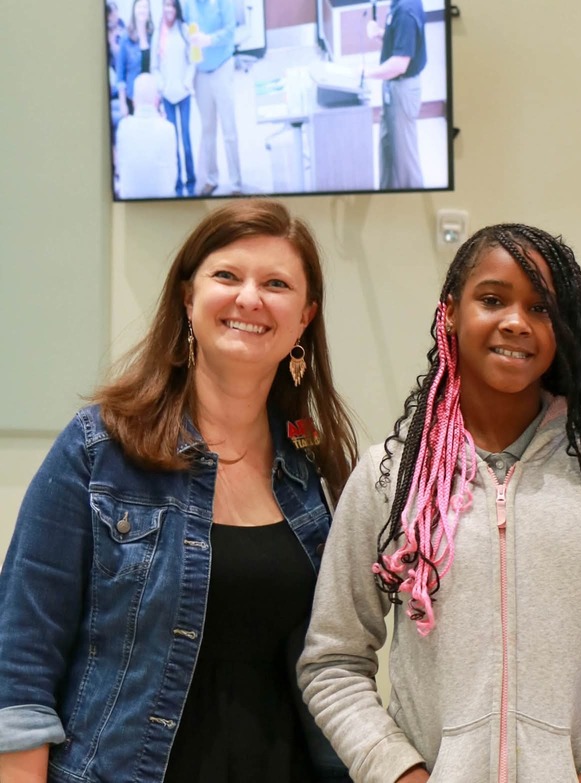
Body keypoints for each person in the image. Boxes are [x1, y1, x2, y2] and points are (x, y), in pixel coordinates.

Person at [299, 224, 581, 782]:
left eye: (540, 308)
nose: (515, 322)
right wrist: (397, 773)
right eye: (492, 299)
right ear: (450, 314)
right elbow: (333, 661)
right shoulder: (393, 475)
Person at [0, 200, 359, 782]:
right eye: (227, 276)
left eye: (276, 283)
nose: (250, 298)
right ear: (188, 298)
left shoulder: (315, 468)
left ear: (305, 317)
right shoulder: (98, 449)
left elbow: (337, 665)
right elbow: (20, 657)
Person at [364, 0, 426, 190]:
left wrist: (364, 73)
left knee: (405, 160)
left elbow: (399, 65)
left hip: (402, 89)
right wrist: (380, 34)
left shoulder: (406, 9)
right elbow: (403, 41)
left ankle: (413, 207)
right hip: (393, 88)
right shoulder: (398, 5)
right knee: (388, 152)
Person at [184, 0, 241, 196]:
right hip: (201, 73)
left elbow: (231, 32)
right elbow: (184, 25)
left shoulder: (223, 3)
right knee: (207, 129)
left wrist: (209, 39)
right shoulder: (189, 4)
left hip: (222, 66)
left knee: (228, 128)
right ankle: (211, 178)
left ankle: (236, 183)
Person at [152, 0, 197, 196]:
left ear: (176, 8)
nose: (169, 10)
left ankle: (192, 179)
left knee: (186, 138)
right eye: (166, 6)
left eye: (172, 6)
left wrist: (187, 82)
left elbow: (193, 60)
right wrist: (161, 86)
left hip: (184, 93)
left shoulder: (185, 29)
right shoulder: (158, 33)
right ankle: (178, 181)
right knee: (173, 139)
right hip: (167, 95)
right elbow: (154, 66)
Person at [116, 72, 179, 199]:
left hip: (128, 199)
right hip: (166, 202)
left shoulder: (123, 127)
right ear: (157, 101)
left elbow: (119, 169)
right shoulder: (168, 128)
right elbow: (173, 175)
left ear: (133, 101)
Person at [115, 0, 153, 117]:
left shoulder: (153, 35)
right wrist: (122, 103)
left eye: (145, 7)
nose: (142, 10)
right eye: (139, 7)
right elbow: (120, 73)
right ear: (134, 10)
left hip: (151, 100)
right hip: (132, 98)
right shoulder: (125, 38)